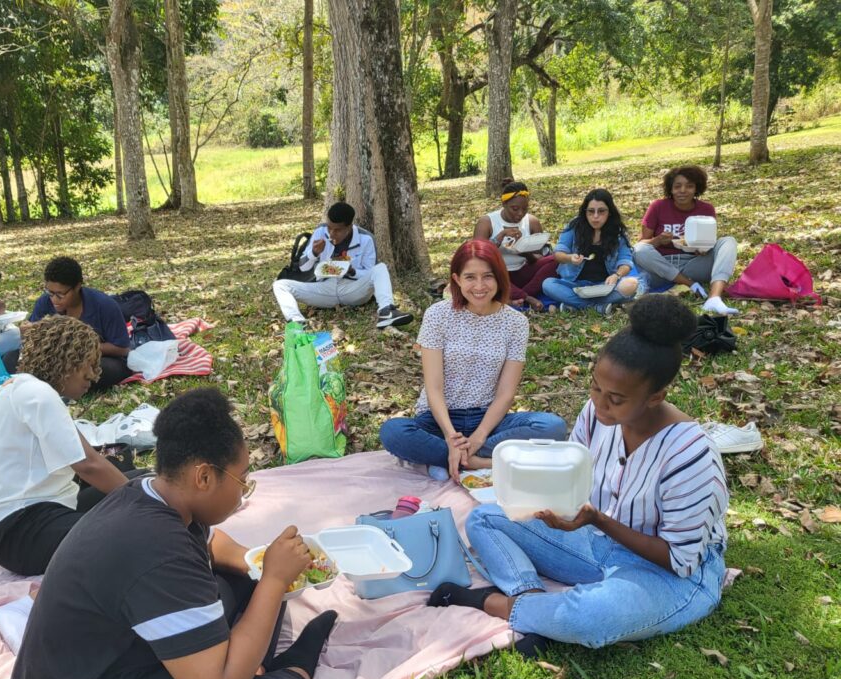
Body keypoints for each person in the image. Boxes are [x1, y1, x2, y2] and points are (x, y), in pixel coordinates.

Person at [7, 388, 338, 679]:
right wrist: (275, 581)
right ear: (203, 477)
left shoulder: (151, 493)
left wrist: (262, 565)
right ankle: (296, 671)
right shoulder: (156, 550)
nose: (244, 493)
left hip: (119, 668)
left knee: (246, 575)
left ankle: (248, 661)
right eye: (242, 479)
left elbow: (217, 547)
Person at [429, 295, 729, 649]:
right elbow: (574, 476)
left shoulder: (690, 453)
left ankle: (498, 603)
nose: (600, 405)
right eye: (596, 388)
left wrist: (596, 520)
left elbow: (679, 560)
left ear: (655, 396)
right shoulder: (595, 413)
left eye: (615, 400)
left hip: (669, 573)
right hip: (597, 541)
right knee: (486, 519)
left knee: (588, 617)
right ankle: (533, 603)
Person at [380, 240, 567, 482]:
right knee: (393, 432)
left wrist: (478, 437)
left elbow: (505, 394)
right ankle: (478, 462)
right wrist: (450, 436)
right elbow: (434, 387)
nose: (479, 286)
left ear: (500, 278)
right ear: (456, 280)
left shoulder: (515, 323)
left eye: (488, 276)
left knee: (552, 426)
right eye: (470, 277)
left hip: (488, 420)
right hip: (439, 420)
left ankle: (455, 459)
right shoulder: (438, 315)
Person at [0, 315, 148, 577]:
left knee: (147, 482)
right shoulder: (37, 393)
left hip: (45, 510)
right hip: (21, 532)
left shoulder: (22, 389)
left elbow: (87, 457)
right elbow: (88, 466)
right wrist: (146, 505)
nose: (94, 374)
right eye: (88, 365)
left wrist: (142, 493)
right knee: (136, 527)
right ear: (68, 361)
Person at [272, 201, 414, 329]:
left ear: (349, 227)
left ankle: (386, 311)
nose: (332, 233)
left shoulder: (366, 239)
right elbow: (303, 268)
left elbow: (370, 273)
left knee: (380, 268)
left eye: (337, 230)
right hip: (325, 289)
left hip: (352, 290)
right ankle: (297, 322)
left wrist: (352, 271)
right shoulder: (320, 232)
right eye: (329, 228)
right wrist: (314, 253)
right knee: (280, 285)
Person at [633, 165, 739, 315]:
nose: (683, 191)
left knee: (729, 241)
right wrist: (657, 240)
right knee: (639, 250)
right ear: (670, 189)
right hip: (661, 267)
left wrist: (703, 248)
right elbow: (641, 243)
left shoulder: (706, 209)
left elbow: (709, 241)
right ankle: (689, 283)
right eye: (677, 186)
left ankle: (714, 298)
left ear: (697, 189)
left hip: (693, 264)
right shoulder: (658, 207)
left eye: (689, 186)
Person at [16, 256, 131, 391]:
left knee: (97, 371)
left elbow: (121, 348)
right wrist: (29, 334)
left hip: (95, 360)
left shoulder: (104, 305)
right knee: (11, 359)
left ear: (77, 287)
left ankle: (51, 384)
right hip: (55, 359)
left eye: (60, 294)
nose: (54, 299)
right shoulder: (45, 302)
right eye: (50, 292)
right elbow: (34, 344)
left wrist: (77, 347)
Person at [541, 189, 639, 314]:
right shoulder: (574, 226)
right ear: (585, 212)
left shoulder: (617, 231)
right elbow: (558, 254)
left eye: (601, 211)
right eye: (591, 211)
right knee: (548, 284)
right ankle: (597, 307)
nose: (596, 216)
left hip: (606, 285)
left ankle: (576, 305)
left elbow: (625, 261)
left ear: (609, 212)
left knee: (632, 284)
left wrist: (616, 275)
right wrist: (570, 258)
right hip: (575, 285)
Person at [473, 179, 557, 311]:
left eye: (525, 209)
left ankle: (515, 296)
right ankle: (527, 298)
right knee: (484, 272)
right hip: (497, 274)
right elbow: (476, 256)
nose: (520, 214)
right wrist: (500, 237)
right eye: (515, 209)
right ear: (504, 203)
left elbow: (539, 257)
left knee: (555, 260)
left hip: (522, 272)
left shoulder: (532, 221)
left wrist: (524, 251)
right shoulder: (487, 222)